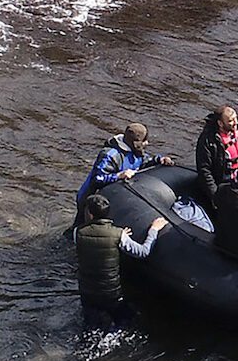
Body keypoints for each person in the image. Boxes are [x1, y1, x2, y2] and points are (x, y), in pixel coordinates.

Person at [74, 194, 168, 328]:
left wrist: (118, 236)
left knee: (90, 325)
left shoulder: (78, 233)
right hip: (110, 294)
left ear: (89, 213)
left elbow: (96, 241)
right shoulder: (118, 235)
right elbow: (143, 252)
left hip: (87, 293)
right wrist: (154, 230)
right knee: (127, 320)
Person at [75, 123, 174, 220]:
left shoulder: (137, 152)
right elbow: (96, 179)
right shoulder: (110, 155)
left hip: (114, 197)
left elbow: (144, 162)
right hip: (91, 201)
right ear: (135, 142)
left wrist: (159, 160)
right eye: (144, 140)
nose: (147, 143)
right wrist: (118, 176)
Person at [195, 105, 238, 210]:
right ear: (220, 123)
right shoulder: (208, 141)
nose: (236, 123)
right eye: (231, 121)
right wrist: (215, 195)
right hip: (226, 185)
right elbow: (204, 170)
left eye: (235, 118)